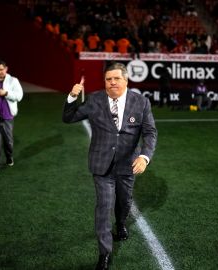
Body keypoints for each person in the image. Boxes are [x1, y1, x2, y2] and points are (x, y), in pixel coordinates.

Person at [62, 62, 157, 270]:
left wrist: (144, 156)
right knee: (104, 208)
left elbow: (150, 132)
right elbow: (68, 118)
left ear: (126, 80)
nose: (112, 82)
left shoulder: (141, 102)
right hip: (101, 166)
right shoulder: (95, 99)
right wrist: (71, 97)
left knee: (123, 203)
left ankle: (121, 223)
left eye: (116, 78)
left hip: (127, 166)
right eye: (108, 79)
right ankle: (104, 254)